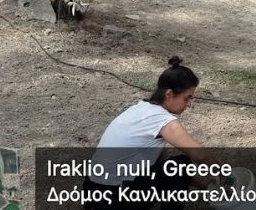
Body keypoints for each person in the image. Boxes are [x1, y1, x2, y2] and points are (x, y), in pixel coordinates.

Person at [83, 56, 218, 210]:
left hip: (93, 195)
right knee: (183, 163)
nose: (189, 105)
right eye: (187, 98)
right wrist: (224, 174)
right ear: (169, 94)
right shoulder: (161, 119)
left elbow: (165, 166)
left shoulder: (140, 109)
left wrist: (209, 186)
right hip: (113, 201)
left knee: (177, 166)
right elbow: (199, 155)